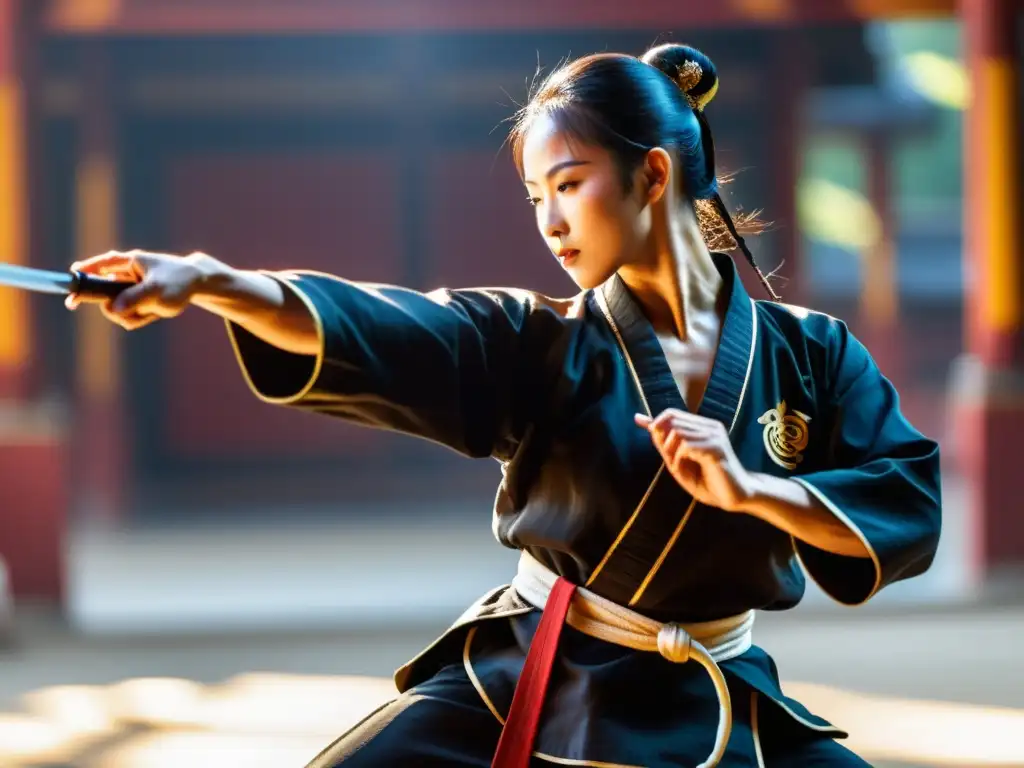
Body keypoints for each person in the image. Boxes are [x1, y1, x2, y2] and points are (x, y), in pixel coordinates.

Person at [67, 43, 941, 768]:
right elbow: (387, 325)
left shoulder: (814, 353)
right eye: (535, 198)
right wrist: (215, 282)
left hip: (721, 693)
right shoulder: (535, 341)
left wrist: (751, 491)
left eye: (569, 183)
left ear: (652, 174)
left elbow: (905, 502)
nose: (550, 222)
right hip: (534, 674)